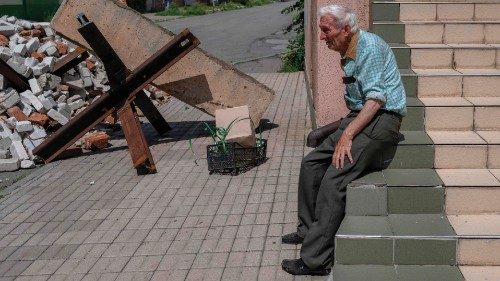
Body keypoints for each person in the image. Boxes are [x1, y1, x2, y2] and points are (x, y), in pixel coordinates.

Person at [281, 4, 406, 276]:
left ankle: (316, 260)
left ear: (345, 29)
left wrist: (347, 135)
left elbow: (376, 99)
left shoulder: (367, 47)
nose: (323, 37)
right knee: (312, 164)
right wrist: (341, 128)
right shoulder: (347, 48)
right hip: (362, 115)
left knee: (333, 178)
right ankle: (308, 230)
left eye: (326, 30)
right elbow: (359, 104)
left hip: (383, 119)